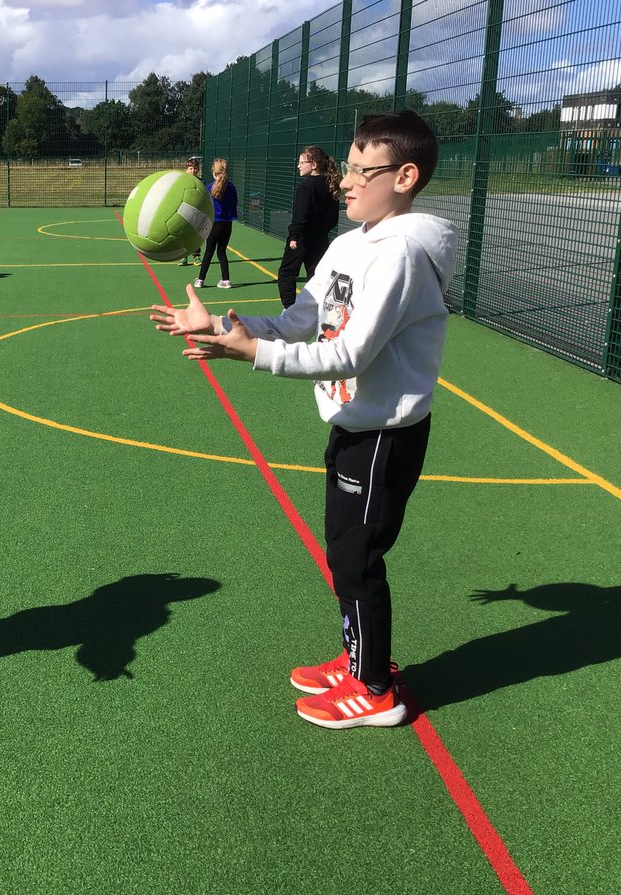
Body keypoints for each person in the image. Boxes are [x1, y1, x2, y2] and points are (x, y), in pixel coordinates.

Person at [150, 110, 457, 730]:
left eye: (361, 171)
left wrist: (252, 354)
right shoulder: (349, 244)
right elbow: (300, 321)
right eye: (347, 166)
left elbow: (350, 354)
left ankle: (375, 690)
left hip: (385, 434)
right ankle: (359, 659)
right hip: (353, 423)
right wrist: (223, 326)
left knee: (357, 559)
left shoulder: (401, 254)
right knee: (343, 551)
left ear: (404, 177)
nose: (345, 181)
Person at [278, 146, 341, 308]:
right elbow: (333, 218)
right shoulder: (330, 185)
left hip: (301, 239)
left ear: (313, 164)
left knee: (286, 273)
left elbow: (300, 216)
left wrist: (294, 236)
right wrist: (322, 231)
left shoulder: (306, 187)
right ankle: (318, 309)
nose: (298, 166)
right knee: (316, 275)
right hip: (320, 239)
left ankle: (290, 309)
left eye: (302, 163)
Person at [194, 158, 238, 290]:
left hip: (214, 224)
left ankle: (200, 280)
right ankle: (226, 280)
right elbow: (234, 204)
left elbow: (204, 206)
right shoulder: (232, 188)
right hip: (227, 225)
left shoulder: (208, 188)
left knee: (209, 252)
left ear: (214, 172)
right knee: (221, 252)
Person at [178, 157, 202, 267]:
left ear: (198, 170)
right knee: (183, 234)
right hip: (183, 212)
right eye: (191, 168)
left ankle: (196, 256)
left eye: (195, 168)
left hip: (197, 213)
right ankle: (184, 256)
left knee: (196, 235)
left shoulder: (201, 182)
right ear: (186, 170)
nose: (193, 171)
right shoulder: (182, 182)